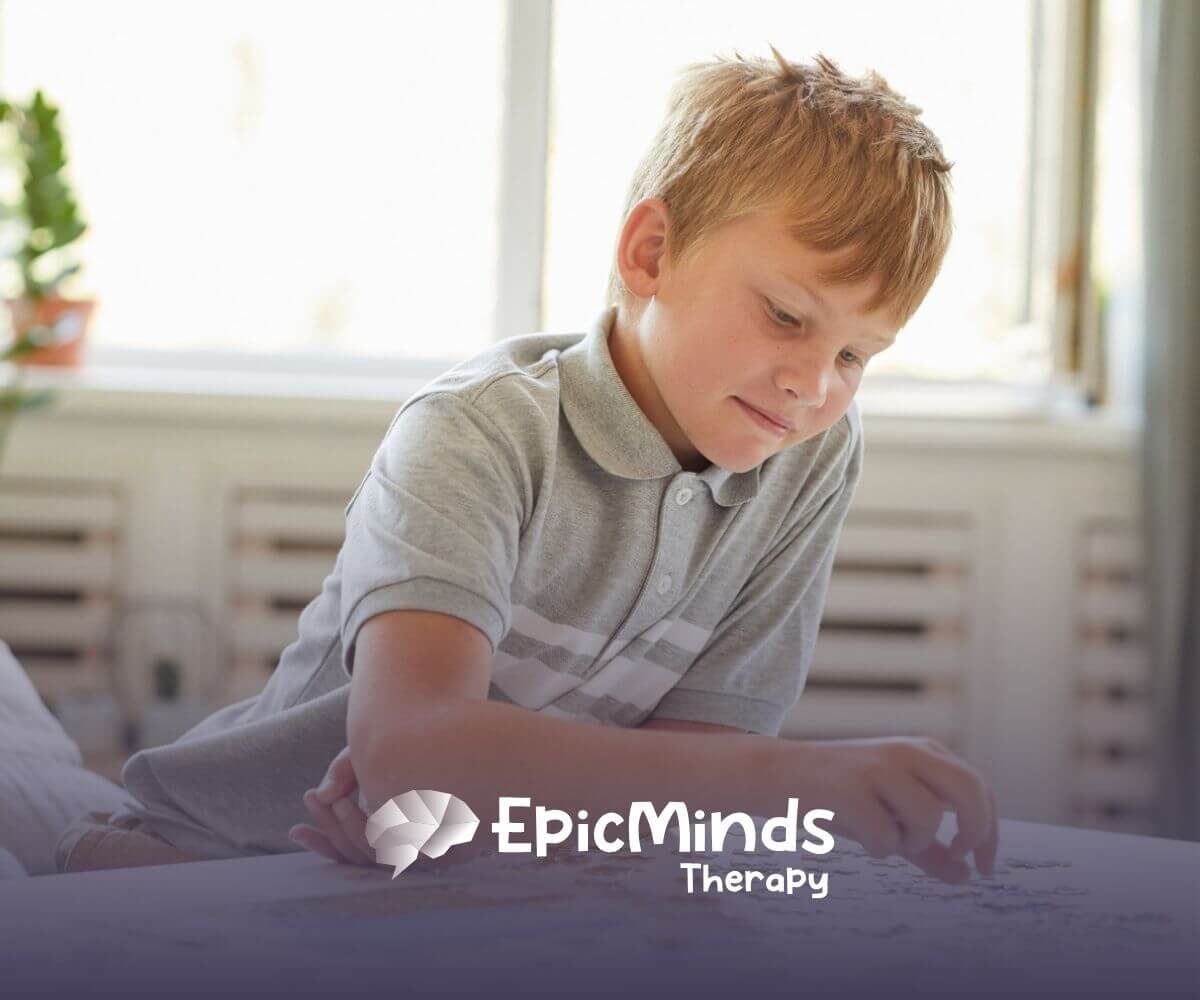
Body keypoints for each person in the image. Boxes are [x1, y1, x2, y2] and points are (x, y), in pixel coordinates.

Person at [60, 47, 997, 881]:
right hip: (202, 852)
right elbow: (412, 753)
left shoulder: (812, 457)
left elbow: (691, 781)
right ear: (652, 252)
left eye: (853, 357)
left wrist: (467, 823)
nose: (811, 386)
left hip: (451, 865)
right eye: (788, 317)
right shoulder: (475, 433)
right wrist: (812, 780)